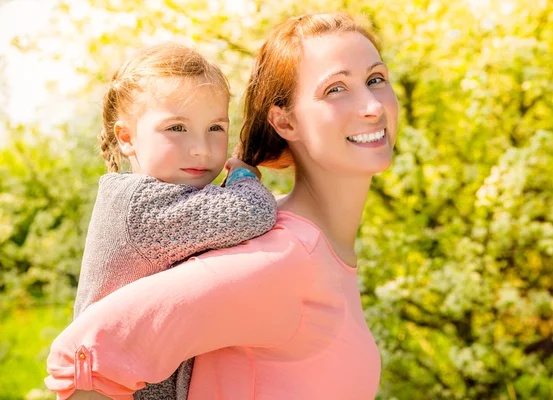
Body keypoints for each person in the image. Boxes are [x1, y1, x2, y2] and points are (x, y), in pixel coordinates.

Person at [45, 11, 399, 400]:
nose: (371, 106)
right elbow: (89, 353)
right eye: (336, 89)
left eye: (375, 79)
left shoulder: (314, 253)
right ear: (285, 122)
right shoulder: (283, 259)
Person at [72, 42, 277, 398]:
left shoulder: (148, 197)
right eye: (177, 128)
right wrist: (244, 177)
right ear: (127, 138)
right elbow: (253, 211)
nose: (201, 147)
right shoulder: (143, 205)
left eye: (215, 128)